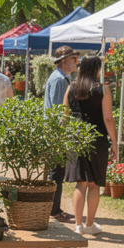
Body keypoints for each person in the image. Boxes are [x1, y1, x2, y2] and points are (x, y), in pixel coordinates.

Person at [63, 56, 117, 236]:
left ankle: (78, 225)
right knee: (94, 184)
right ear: (97, 69)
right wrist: (115, 144)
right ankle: (90, 224)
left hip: (76, 137)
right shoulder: (103, 89)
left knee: (80, 183)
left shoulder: (71, 87)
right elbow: (108, 118)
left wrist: (62, 138)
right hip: (97, 138)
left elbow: (64, 115)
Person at [45, 48, 80, 223]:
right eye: (74, 58)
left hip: (56, 132)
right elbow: (60, 111)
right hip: (57, 132)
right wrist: (61, 135)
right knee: (56, 173)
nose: (76, 61)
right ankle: (53, 211)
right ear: (64, 60)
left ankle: (54, 208)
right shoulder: (59, 80)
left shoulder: (61, 77)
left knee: (57, 172)